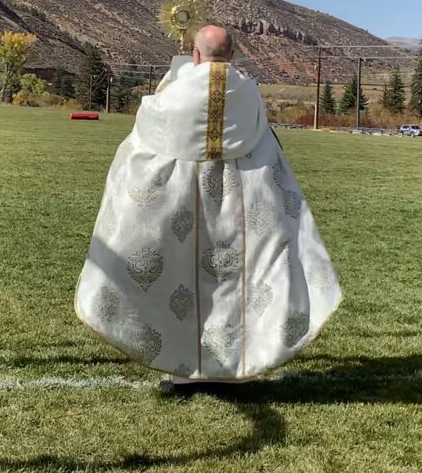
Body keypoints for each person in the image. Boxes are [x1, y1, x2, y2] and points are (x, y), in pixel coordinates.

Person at [74, 25, 341, 390]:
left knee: (180, 281)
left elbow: (151, 124)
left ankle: (184, 372)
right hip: (241, 203)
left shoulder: (178, 89)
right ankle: (237, 368)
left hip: (184, 203)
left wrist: (172, 78)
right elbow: (263, 135)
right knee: (240, 281)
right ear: (233, 56)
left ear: (196, 55)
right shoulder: (247, 91)